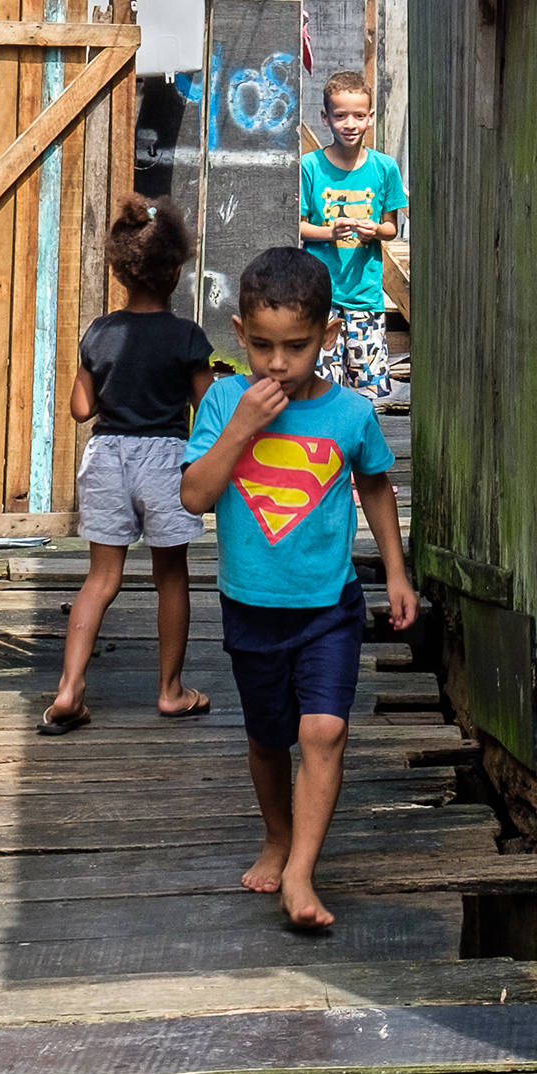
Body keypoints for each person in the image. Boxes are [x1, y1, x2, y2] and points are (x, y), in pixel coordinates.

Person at [178, 246, 418, 934]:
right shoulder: (226, 399)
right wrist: (242, 427)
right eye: (261, 345)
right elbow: (194, 493)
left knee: (325, 729)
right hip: (250, 604)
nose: (277, 363)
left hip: (328, 605)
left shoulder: (349, 413)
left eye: (296, 346)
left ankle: (302, 871)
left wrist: (395, 571)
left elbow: (374, 482)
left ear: (330, 336)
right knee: (267, 737)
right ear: (238, 331)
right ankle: (278, 836)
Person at [41, 198, 217, 733]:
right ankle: (170, 691)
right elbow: (206, 407)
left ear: (119, 271)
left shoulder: (99, 332)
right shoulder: (187, 336)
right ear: (177, 271)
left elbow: (80, 409)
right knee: (171, 577)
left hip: (108, 455)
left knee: (101, 578)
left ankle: (69, 690)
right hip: (165, 457)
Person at [296, 71, 408, 399]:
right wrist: (330, 232)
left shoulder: (384, 168)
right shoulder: (310, 166)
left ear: (371, 118)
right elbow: (300, 226)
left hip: (365, 296)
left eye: (359, 116)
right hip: (322, 297)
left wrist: (375, 231)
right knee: (321, 388)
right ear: (325, 118)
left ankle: (360, 448)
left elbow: (390, 228)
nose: (350, 124)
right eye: (340, 115)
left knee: (367, 390)